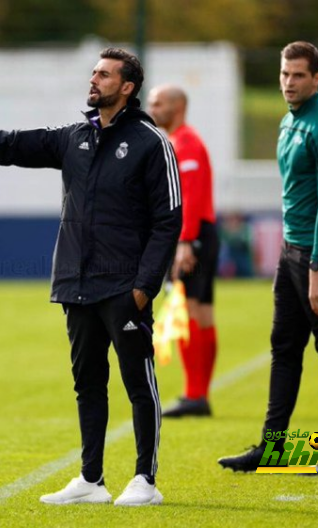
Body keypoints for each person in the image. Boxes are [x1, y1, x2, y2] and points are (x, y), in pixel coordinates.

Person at [0, 48, 182, 504]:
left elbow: (168, 219)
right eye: (93, 72)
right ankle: (91, 480)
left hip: (123, 287)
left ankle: (145, 480)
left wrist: (144, 287)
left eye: (104, 74)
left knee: (138, 382)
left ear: (127, 87)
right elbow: (10, 145)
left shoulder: (152, 143)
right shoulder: (74, 137)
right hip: (77, 284)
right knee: (88, 383)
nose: (93, 80)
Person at [218, 41, 318, 475]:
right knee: (284, 347)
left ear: (317, 78)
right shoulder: (288, 122)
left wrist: (317, 267)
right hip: (290, 249)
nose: (288, 83)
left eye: (298, 75)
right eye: (284, 74)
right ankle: (270, 446)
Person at [147, 85, 219, 417]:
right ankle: (199, 395)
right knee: (199, 312)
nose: (152, 108)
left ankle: (194, 394)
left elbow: (188, 196)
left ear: (177, 107)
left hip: (191, 236)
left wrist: (184, 242)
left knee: (189, 313)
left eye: (158, 103)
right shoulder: (180, 141)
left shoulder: (186, 143)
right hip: (198, 234)